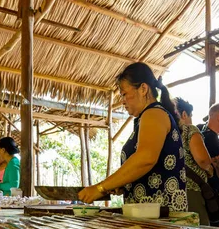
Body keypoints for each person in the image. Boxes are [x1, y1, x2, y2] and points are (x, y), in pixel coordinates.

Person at [79, 62, 187, 212]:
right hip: (151, 215)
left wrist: (100, 187)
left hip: (160, 217)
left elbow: (146, 158)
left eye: (124, 94)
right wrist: (124, 183)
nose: (122, 101)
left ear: (143, 89)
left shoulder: (153, 113)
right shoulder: (148, 117)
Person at [175, 98, 213, 225]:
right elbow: (202, 159)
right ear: (184, 114)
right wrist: (210, 168)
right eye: (191, 115)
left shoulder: (166, 132)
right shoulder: (189, 129)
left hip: (172, 191)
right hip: (191, 189)